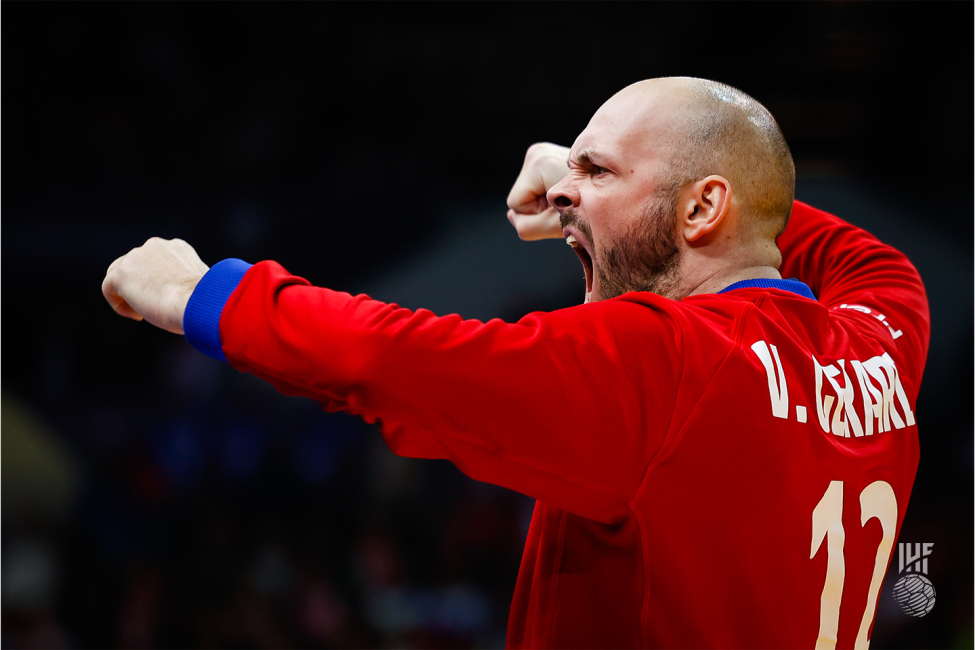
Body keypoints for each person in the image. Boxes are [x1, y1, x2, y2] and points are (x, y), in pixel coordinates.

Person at [102, 77, 929, 649]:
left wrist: (198, 294)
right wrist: (605, 182)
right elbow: (800, 221)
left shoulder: (664, 358)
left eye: (594, 170)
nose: (565, 188)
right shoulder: (884, 329)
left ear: (703, 207)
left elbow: (392, 356)